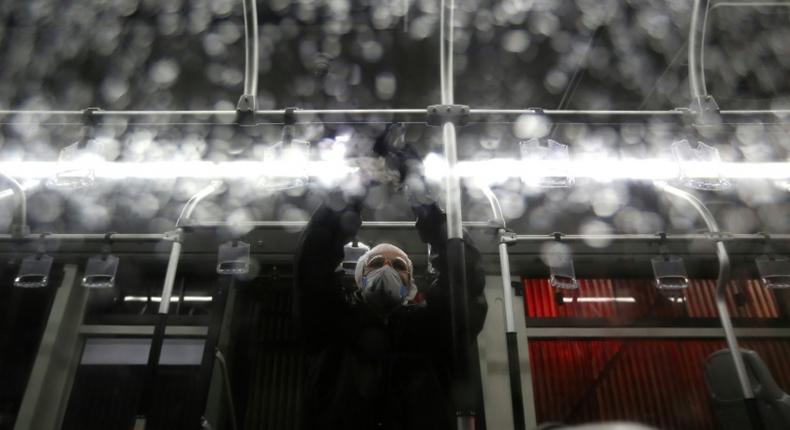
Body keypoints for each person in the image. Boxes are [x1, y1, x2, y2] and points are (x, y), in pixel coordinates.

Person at [293, 132, 488, 430]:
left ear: (411, 284)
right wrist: (359, 187)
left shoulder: (432, 330)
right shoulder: (331, 324)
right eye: (375, 263)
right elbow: (312, 261)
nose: (387, 268)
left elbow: (464, 276)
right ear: (359, 279)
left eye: (398, 265)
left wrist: (423, 201)